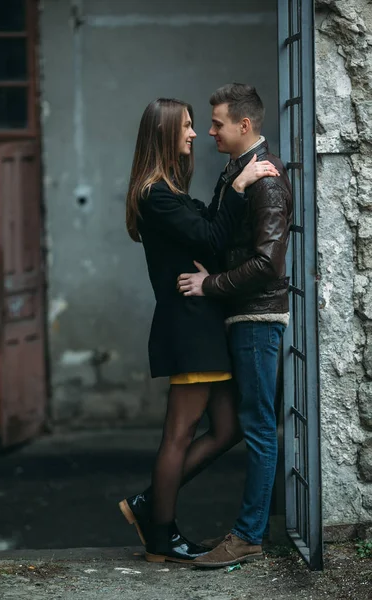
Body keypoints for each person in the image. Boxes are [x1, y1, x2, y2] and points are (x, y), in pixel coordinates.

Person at [120, 97, 279, 564]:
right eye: (187, 126)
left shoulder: (173, 192)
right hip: (188, 328)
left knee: (227, 427)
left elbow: (209, 229)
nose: (194, 134)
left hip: (204, 325)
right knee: (179, 434)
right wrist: (241, 182)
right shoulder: (156, 195)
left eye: (197, 125)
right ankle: (161, 534)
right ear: (165, 133)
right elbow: (211, 237)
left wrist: (231, 189)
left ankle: (151, 502)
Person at [177, 83, 293, 568]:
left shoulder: (264, 179)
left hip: (257, 317)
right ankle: (164, 504)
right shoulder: (239, 172)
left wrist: (211, 285)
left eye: (218, 123)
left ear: (244, 125)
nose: (209, 132)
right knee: (249, 424)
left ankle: (248, 535)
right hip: (243, 316)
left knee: (260, 427)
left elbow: (268, 264)